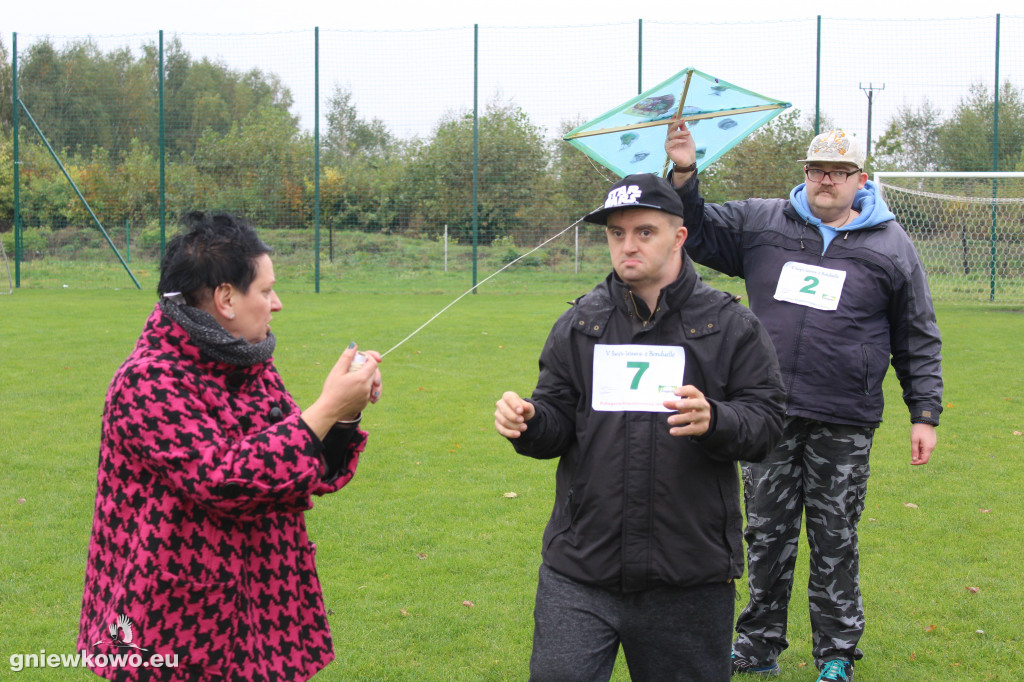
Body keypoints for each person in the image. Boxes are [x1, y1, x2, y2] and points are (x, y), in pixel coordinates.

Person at [664, 126, 943, 681]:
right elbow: (693, 229)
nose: (826, 180)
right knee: (766, 534)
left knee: (834, 535)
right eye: (817, 169)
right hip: (766, 413)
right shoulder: (763, 222)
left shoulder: (891, 245)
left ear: (860, 180)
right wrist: (684, 173)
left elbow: (916, 334)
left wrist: (924, 413)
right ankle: (758, 645)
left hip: (845, 415)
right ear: (806, 173)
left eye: (839, 172)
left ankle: (837, 652)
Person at [494, 173, 786, 682]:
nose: (627, 245)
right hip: (581, 571)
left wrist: (716, 419)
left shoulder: (731, 325)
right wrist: (531, 422)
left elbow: (767, 425)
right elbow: (558, 420)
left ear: (679, 236)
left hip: (689, 576)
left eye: (644, 232)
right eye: (616, 233)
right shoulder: (581, 322)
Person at [78, 211, 382, 680]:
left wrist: (341, 416)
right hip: (175, 620)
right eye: (265, 290)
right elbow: (224, 479)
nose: (276, 303)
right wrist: (322, 410)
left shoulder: (246, 363)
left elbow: (299, 464)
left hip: (265, 601)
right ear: (224, 298)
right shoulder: (148, 380)